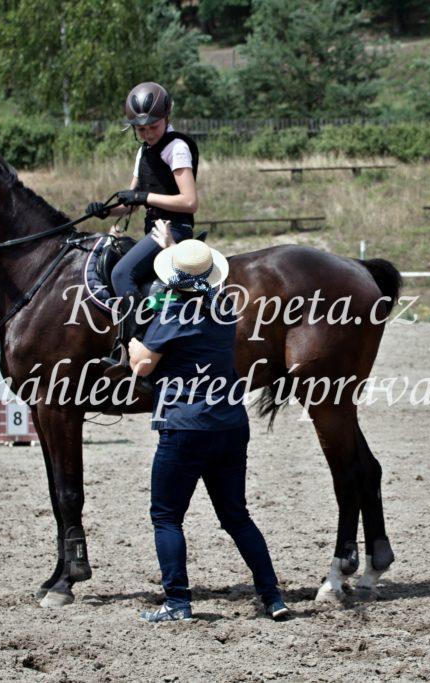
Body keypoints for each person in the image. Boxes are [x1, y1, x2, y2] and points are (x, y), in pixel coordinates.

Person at [127, 237, 290, 623]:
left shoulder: (172, 315)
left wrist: (135, 340)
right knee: (236, 516)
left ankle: (177, 602)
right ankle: (272, 596)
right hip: (230, 423)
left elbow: (143, 365)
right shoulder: (224, 308)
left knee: (166, 517)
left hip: (184, 425)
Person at [88, 82, 199, 372]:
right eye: (141, 129)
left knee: (121, 273)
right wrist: (106, 210)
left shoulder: (176, 148)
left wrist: (143, 197)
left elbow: (190, 202)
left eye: (153, 126)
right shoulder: (143, 152)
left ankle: (138, 347)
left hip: (175, 230)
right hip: (154, 231)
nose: (148, 134)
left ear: (167, 116)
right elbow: (132, 202)